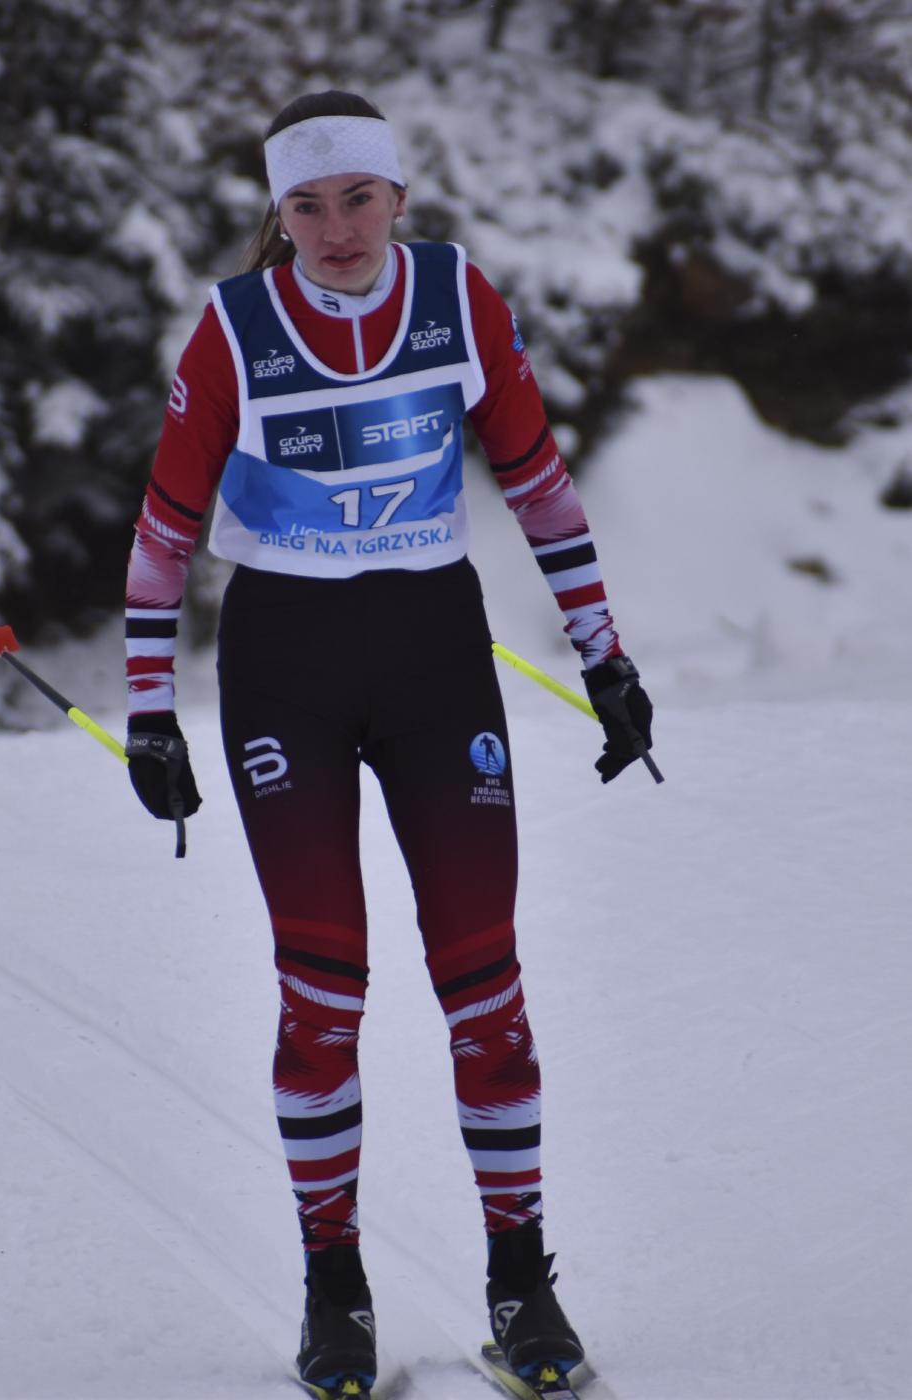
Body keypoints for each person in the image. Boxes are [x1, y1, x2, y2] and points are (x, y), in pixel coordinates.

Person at [123, 90, 654, 1394]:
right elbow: (165, 528)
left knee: (487, 987)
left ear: (398, 197)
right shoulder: (237, 326)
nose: (336, 229)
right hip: (285, 669)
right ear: (279, 213)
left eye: (358, 197)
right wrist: (147, 709)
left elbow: (537, 483)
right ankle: (335, 1294)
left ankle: (522, 1287)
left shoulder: (456, 298)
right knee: (323, 991)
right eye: (305, 206)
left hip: (431, 657)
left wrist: (605, 656)